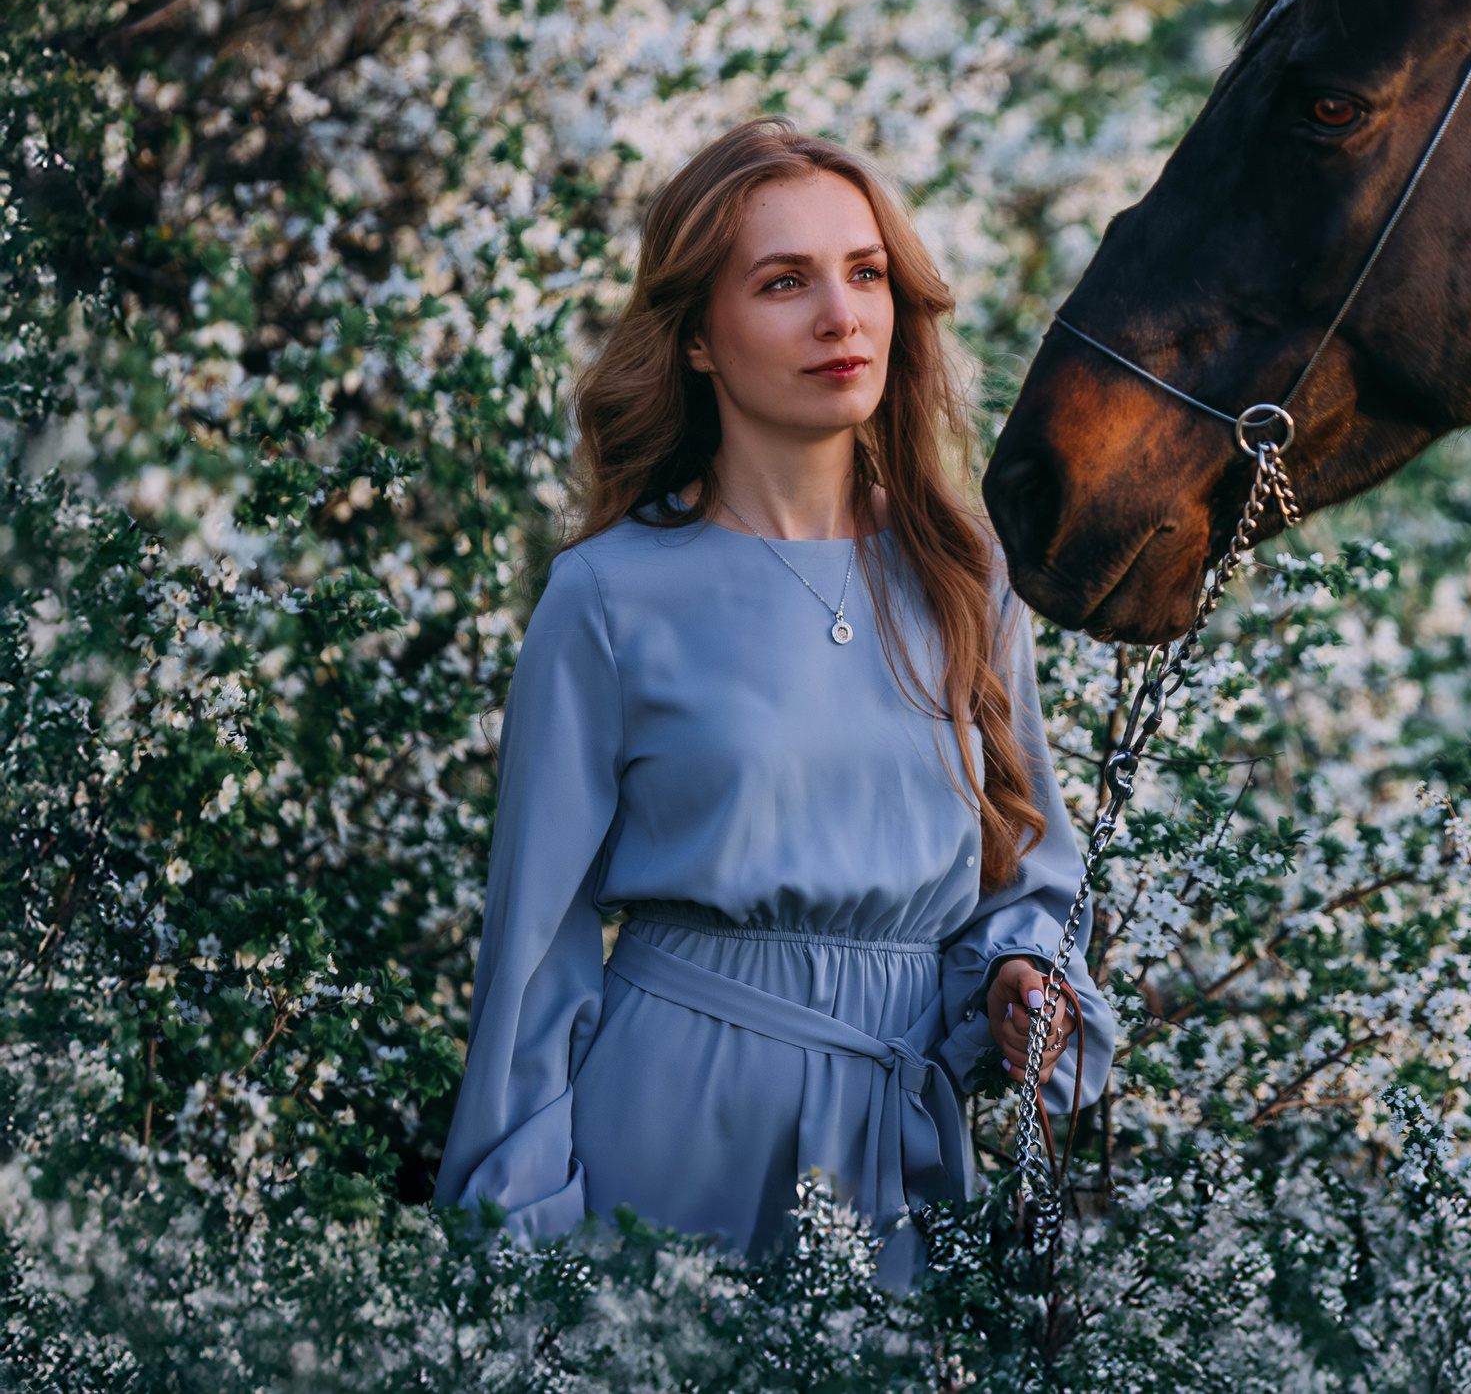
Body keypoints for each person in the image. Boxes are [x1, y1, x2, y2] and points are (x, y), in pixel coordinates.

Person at [433, 119, 1113, 1285]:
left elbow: (1031, 875)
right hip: (673, 1117)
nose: (841, 317)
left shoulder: (965, 572)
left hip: (898, 1145)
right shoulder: (607, 595)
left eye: (865, 273)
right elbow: (536, 955)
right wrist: (524, 1237)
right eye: (783, 282)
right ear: (698, 334)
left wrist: (1020, 975)